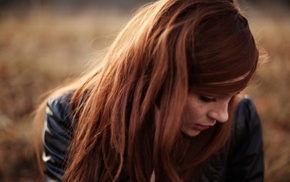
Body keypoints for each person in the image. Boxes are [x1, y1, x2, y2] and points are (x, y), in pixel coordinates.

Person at [34, 0, 264, 181]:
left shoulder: (240, 120)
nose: (222, 116)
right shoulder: (68, 116)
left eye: (231, 94)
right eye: (208, 97)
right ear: (160, 77)